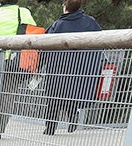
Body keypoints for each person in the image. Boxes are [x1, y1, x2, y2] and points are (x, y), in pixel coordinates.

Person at [0, 0, 38, 138]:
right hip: (16, 62)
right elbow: (33, 35)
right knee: (8, 96)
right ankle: (0, 127)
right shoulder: (24, 12)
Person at [43, 0, 103, 135]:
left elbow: (45, 42)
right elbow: (101, 38)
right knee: (71, 93)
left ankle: (50, 127)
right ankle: (73, 117)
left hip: (58, 67)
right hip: (80, 67)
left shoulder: (58, 24)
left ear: (65, 7)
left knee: (54, 97)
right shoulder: (90, 22)